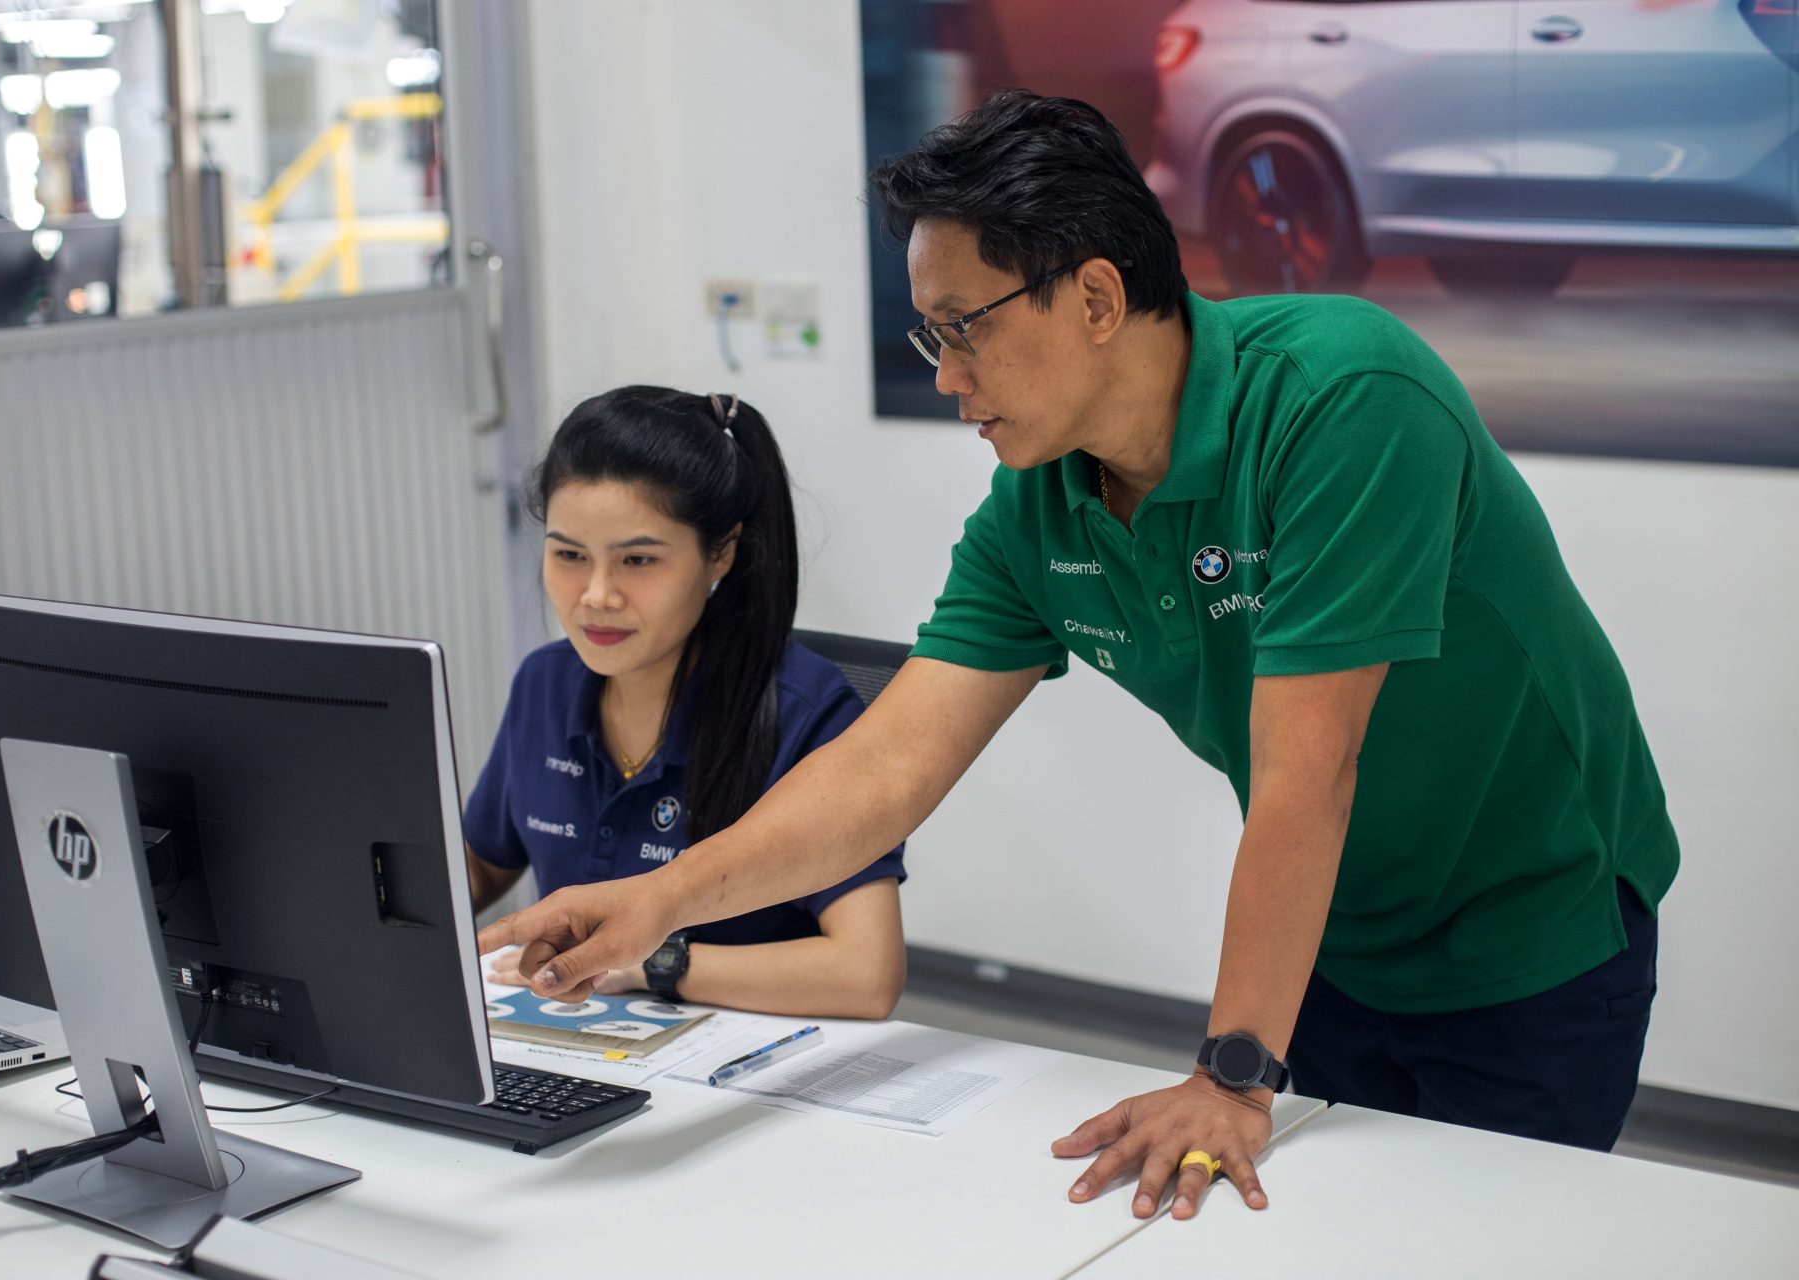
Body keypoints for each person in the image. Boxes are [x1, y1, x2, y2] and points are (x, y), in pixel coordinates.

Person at [477, 93, 1676, 1221]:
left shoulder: (1342, 400)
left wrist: (1232, 1068)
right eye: (927, 333)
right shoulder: (1036, 510)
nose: (944, 375)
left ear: (1096, 297)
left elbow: (1311, 769)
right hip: (1335, 939)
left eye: (964, 330)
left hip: (1535, 922)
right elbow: (885, 769)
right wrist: (658, 902)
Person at [465, 385, 907, 1019]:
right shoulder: (545, 680)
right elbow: (481, 864)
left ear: (720, 553)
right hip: (574, 1041)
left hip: (747, 1062)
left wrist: (649, 964)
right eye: (568, 555)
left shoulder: (808, 712)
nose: (596, 595)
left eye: (638, 559)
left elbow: (866, 974)